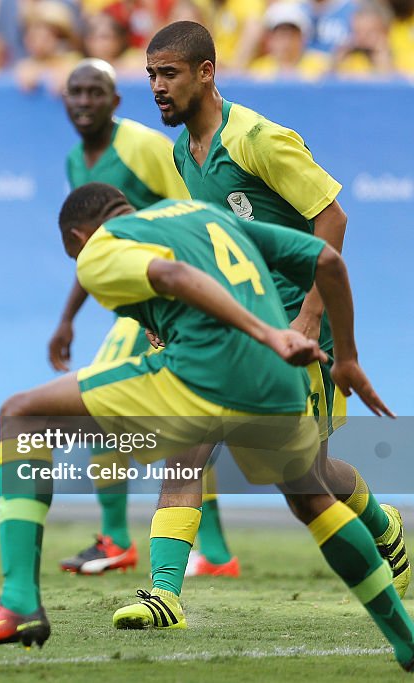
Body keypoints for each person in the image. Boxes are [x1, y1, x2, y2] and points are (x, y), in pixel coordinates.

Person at [0, 185, 414, 673]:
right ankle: (407, 639)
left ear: (79, 238)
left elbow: (171, 274)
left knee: (21, 415)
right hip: (277, 379)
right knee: (310, 496)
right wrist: (348, 359)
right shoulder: (203, 216)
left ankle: (18, 603)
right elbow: (326, 260)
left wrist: (264, 330)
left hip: (209, 370)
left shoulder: (101, 248)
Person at [145, 19, 409, 597]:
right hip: (243, 326)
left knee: (306, 472)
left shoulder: (257, 139)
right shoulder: (184, 151)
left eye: (169, 73)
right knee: (188, 441)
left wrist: (312, 313)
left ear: (206, 72)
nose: (158, 87)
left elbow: (332, 216)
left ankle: (382, 523)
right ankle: (162, 594)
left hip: (299, 326)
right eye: (151, 76)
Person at [50, 59, 236, 579]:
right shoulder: (76, 161)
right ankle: (216, 553)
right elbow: (96, 249)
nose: (84, 101)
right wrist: (67, 320)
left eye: (95, 92)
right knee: (184, 426)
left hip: (168, 299)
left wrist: (188, 299)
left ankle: (116, 539)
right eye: (75, 91)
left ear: (115, 100)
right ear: (64, 100)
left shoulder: (142, 147)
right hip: (140, 306)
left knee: (97, 407)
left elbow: (194, 214)